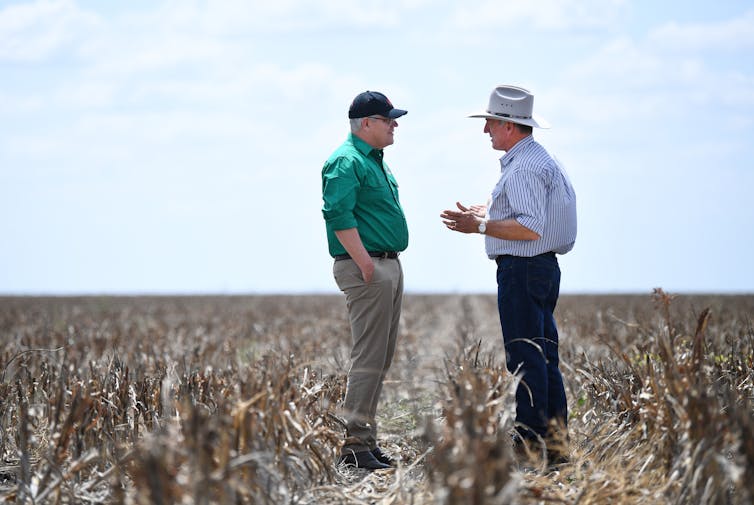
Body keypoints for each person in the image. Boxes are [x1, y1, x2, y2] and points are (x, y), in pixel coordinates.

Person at [440, 85, 577, 466]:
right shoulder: (537, 159)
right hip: (541, 268)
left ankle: (531, 444)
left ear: (509, 126)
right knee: (544, 356)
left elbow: (529, 227)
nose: (485, 130)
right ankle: (556, 444)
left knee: (525, 357)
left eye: (490, 123)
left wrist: (479, 226)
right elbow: (530, 214)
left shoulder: (525, 168)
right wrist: (487, 210)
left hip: (523, 267)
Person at [321, 91, 409, 470]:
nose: (395, 124)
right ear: (366, 123)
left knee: (381, 357)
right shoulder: (346, 161)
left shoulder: (375, 161)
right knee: (369, 358)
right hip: (367, 267)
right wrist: (366, 264)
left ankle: (365, 441)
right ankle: (354, 446)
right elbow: (337, 214)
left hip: (386, 264)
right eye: (388, 118)